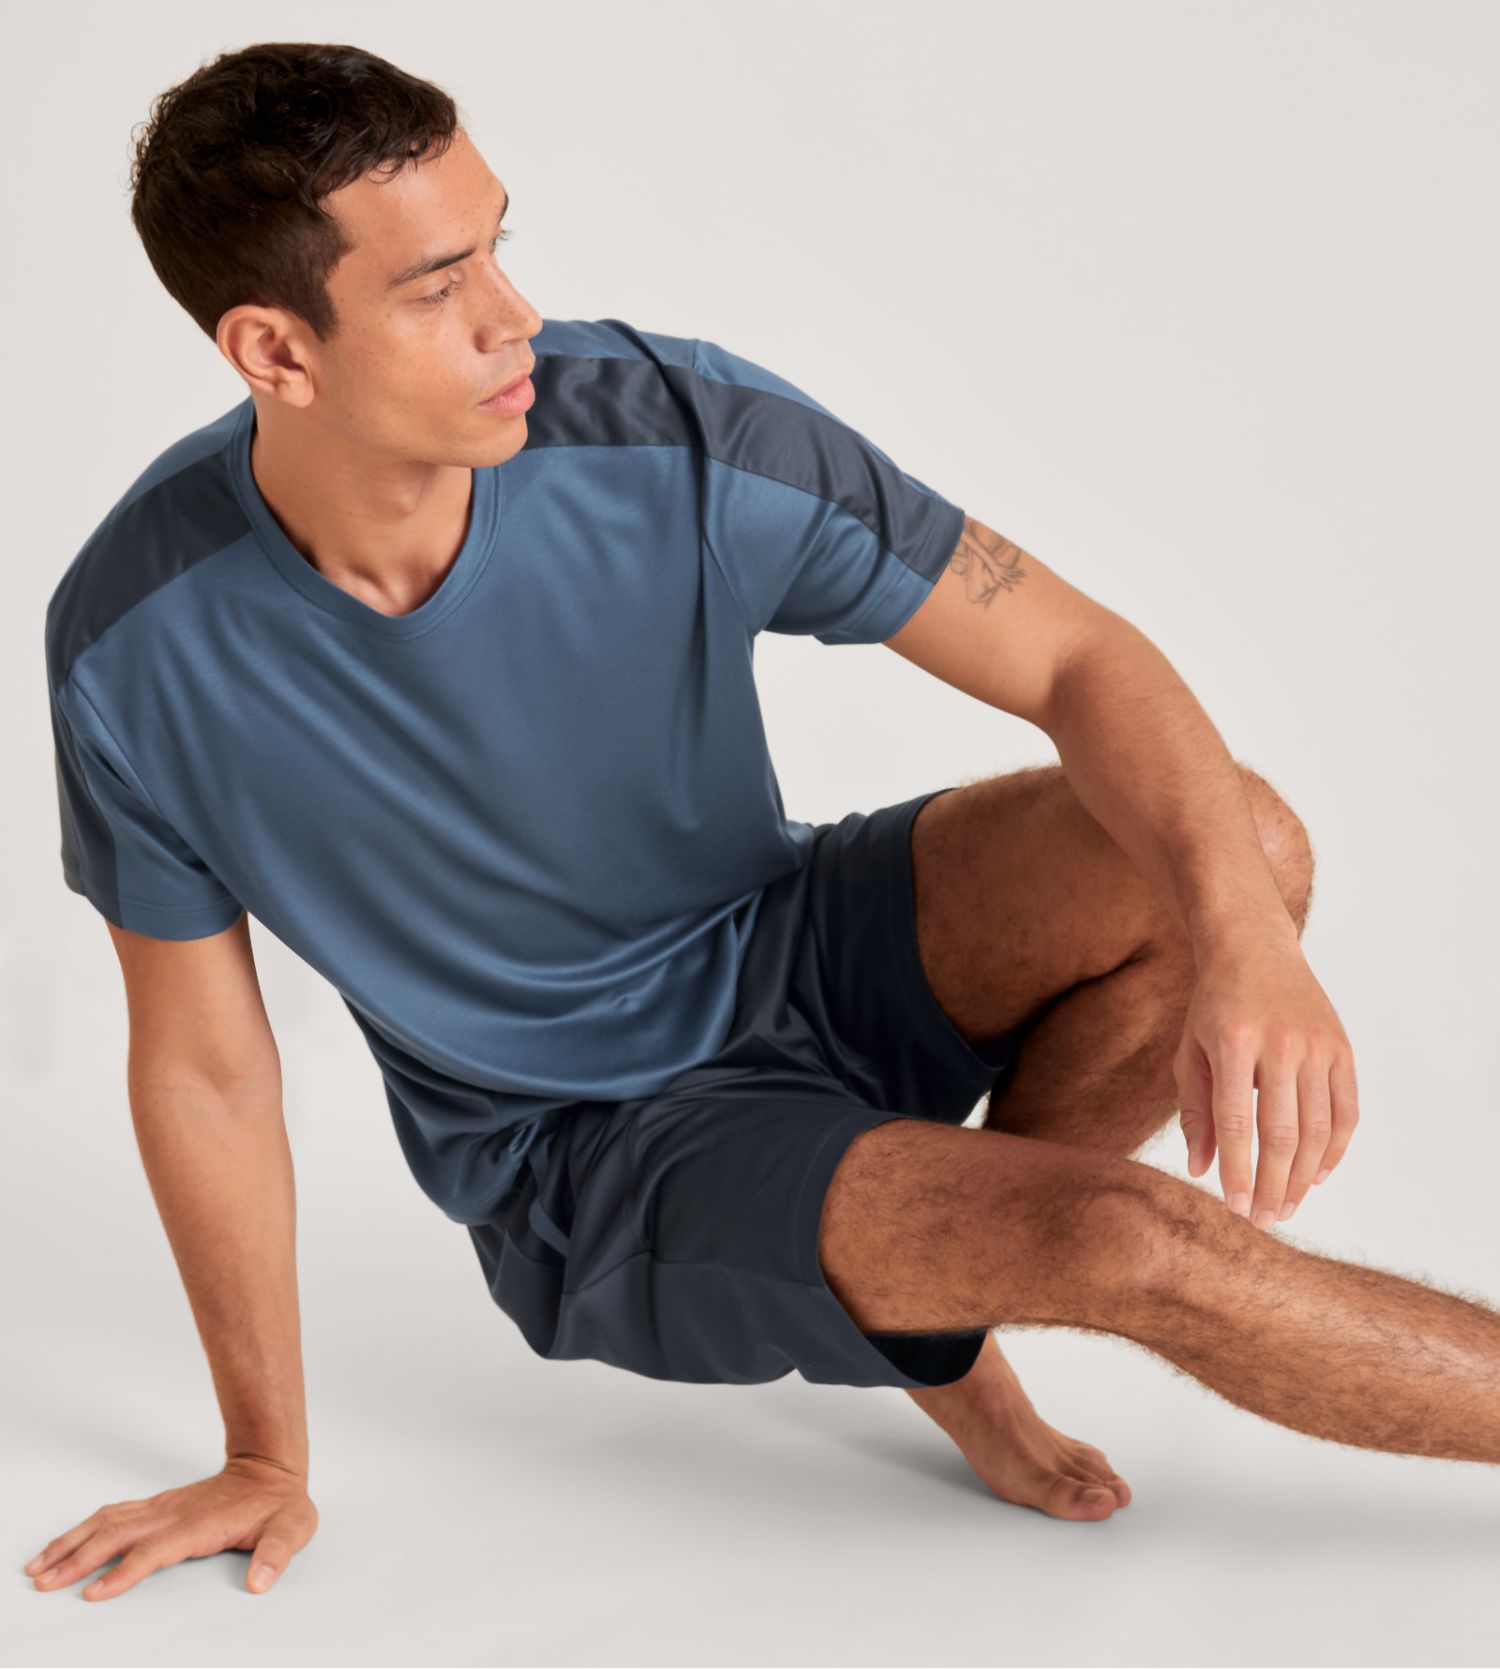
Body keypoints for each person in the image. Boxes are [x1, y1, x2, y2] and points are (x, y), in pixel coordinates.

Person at [27, 40, 1499, 1607]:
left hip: (787, 937)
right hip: (588, 1144)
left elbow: (1076, 656)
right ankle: (959, 1280)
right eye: (437, 287)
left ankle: (937, 1300)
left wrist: (1248, 941)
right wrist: (264, 1455)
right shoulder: (135, 646)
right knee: (1137, 1244)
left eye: (499, 245)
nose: (515, 317)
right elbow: (204, 1065)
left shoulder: (667, 429)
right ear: (275, 349)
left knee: (1240, 850)